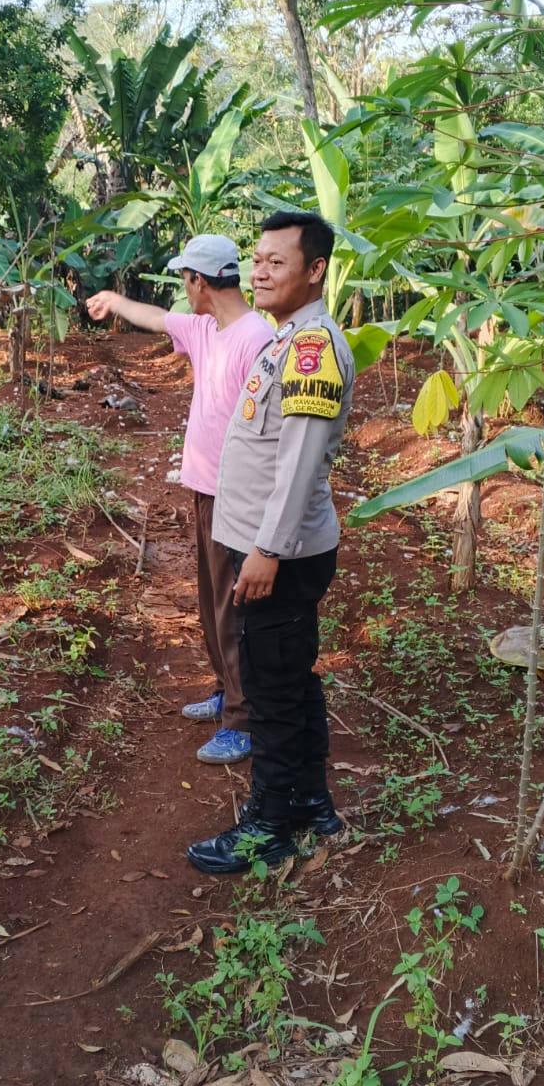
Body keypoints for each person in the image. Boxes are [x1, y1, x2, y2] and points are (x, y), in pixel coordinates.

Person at [186, 211, 355, 874]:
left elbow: (300, 461)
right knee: (291, 680)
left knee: (271, 691)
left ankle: (268, 826)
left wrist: (267, 551)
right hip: (269, 545)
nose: (258, 272)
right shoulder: (287, 340)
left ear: (315, 270)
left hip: (277, 553)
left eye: (276, 262)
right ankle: (310, 802)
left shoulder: (313, 349)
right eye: (256, 259)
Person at [87, 235, 272, 762]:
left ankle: (243, 717)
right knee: (212, 600)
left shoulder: (256, 339)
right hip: (205, 490)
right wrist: (113, 301)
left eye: (184, 280)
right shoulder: (205, 327)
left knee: (233, 608)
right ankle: (226, 689)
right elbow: (154, 318)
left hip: (236, 495)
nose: (182, 290)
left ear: (199, 281)